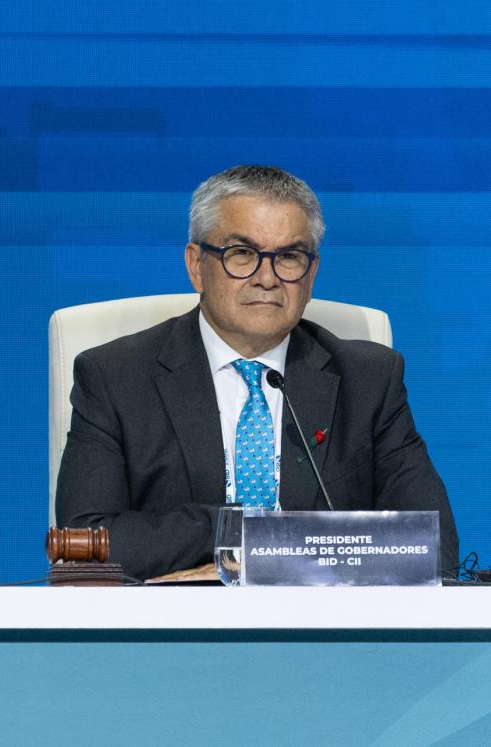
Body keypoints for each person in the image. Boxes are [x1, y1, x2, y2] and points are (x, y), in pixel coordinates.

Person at [55, 165, 458, 581]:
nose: (267, 278)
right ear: (196, 265)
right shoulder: (115, 377)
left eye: (289, 257)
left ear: (311, 273)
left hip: (328, 636)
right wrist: (240, 532)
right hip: (169, 633)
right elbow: (82, 546)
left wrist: (267, 560)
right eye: (242, 254)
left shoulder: (369, 380)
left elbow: (434, 549)